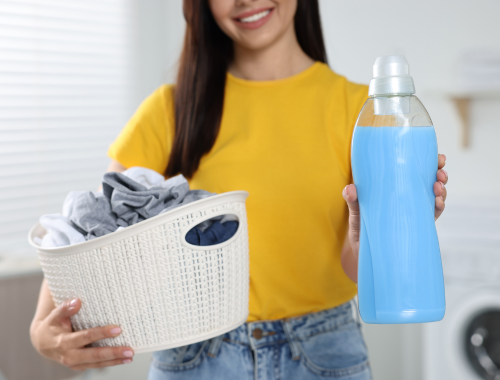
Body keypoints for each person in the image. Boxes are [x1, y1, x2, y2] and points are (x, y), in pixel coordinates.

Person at [30, 0, 449, 379]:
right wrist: (41, 330)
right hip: (196, 358)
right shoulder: (171, 110)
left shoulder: (362, 113)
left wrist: (397, 227)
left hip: (322, 353)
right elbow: (90, 227)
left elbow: (353, 268)